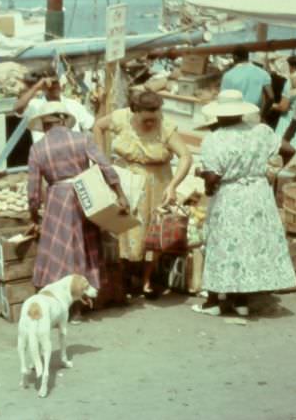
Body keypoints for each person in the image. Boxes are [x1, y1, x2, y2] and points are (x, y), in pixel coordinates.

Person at [193, 90, 296, 316]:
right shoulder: (261, 131)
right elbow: (289, 149)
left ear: (219, 115)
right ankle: (241, 302)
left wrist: (205, 182)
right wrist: (272, 170)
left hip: (231, 195)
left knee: (224, 245)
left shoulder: (215, 138)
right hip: (258, 193)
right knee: (248, 245)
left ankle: (215, 303)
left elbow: (213, 177)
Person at [92, 91, 192, 295]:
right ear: (134, 112)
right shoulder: (121, 117)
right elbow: (98, 126)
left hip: (156, 182)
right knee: (123, 227)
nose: (150, 123)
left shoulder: (166, 128)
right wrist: (101, 161)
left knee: (151, 232)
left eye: (154, 118)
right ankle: (123, 276)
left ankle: (146, 279)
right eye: (146, 119)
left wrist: (173, 185)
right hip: (125, 180)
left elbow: (186, 157)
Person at [27, 101, 129, 294]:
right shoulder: (82, 139)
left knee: (61, 246)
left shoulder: (37, 149)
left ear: (44, 124)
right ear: (64, 120)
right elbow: (105, 165)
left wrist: (33, 215)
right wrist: (120, 194)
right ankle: (84, 294)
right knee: (83, 243)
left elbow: (33, 190)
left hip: (57, 199)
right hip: (84, 194)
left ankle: (62, 295)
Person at [14, 72, 95, 143]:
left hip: (72, 155)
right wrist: (36, 87)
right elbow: (18, 109)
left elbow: (91, 125)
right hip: (45, 156)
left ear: (61, 85)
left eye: (55, 82)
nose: (53, 86)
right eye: (49, 84)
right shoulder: (35, 105)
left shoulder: (73, 105)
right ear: (43, 87)